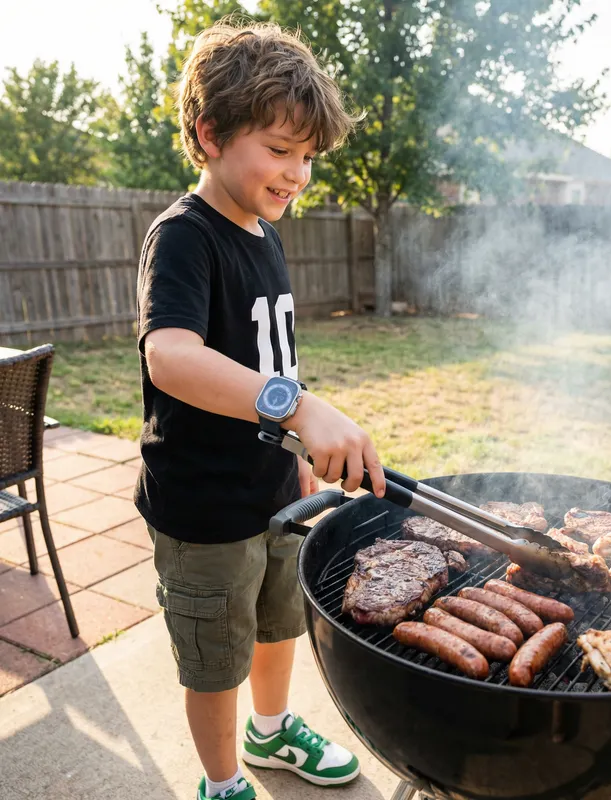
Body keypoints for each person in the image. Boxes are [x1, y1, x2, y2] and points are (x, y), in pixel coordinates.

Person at [134, 20, 385, 800]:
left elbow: (274, 360)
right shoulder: (185, 237)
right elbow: (170, 356)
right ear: (210, 134)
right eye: (280, 150)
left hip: (274, 489)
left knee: (280, 624)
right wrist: (299, 407)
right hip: (203, 506)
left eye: (308, 155)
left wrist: (301, 440)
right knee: (216, 658)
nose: (299, 172)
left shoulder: (266, 235)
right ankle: (221, 782)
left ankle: (271, 734)